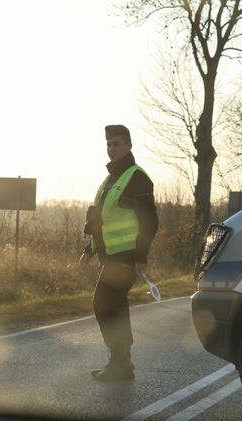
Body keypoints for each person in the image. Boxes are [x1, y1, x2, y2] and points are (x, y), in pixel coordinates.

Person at [80, 124, 158, 382]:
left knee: (103, 304)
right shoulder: (109, 180)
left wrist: (140, 257)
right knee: (115, 307)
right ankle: (122, 364)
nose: (111, 149)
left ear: (129, 146)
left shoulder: (137, 178)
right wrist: (89, 251)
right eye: (109, 144)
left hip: (126, 257)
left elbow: (150, 221)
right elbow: (101, 221)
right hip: (110, 257)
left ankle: (120, 361)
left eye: (117, 144)